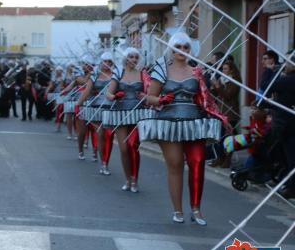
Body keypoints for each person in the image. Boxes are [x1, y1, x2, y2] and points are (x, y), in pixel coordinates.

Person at [138, 32, 228, 225]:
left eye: (186, 47)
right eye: (178, 47)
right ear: (171, 48)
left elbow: (206, 99)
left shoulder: (197, 72)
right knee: (175, 164)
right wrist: (161, 99)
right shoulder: (161, 70)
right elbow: (149, 98)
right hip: (168, 122)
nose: (182, 51)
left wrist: (215, 107)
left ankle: (196, 209)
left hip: (194, 123)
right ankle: (177, 210)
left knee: (197, 161)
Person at [103, 48, 154, 192]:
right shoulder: (118, 72)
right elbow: (108, 93)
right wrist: (113, 96)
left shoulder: (143, 74)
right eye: (131, 56)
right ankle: (127, 178)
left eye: (136, 57)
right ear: (125, 58)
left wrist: (144, 95)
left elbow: (151, 93)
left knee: (133, 146)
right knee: (124, 148)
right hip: (120, 113)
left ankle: (135, 180)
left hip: (138, 113)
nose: (134, 59)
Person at [76, 53, 116, 175]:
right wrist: (79, 104)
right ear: (101, 62)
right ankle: (103, 162)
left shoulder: (116, 75)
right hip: (97, 108)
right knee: (100, 134)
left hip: (112, 108)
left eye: (109, 61)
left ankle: (105, 162)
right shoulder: (94, 75)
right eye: (105, 61)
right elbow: (87, 91)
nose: (107, 64)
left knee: (109, 136)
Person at [267, 50, 295, 199]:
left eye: (288, 62)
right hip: (287, 124)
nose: (284, 64)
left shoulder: (287, 80)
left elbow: (268, 86)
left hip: (287, 126)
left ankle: (291, 188)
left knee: (290, 158)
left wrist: (272, 73)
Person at [210, 60, 242, 167]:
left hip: (230, 112)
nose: (223, 71)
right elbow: (216, 94)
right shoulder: (221, 79)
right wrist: (213, 86)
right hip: (221, 111)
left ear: (231, 70)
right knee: (219, 136)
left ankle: (228, 158)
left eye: (225, 69)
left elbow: (228, 95)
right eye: (222, 69)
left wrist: (218, 87)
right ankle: (220, 157)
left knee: (228, 137)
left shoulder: (235, 81)